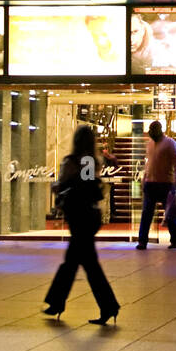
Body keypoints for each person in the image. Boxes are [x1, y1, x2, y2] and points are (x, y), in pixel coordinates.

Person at [43, 125, 120, 325]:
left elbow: (77, 187)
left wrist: (59, 186)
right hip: (88, 215)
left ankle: (59, 303)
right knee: (80, 262)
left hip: (80, 215)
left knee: (79, 263)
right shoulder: (91, 161)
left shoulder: (78, 161)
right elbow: (88, 186)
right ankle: (105, 306)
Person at [136, 120, 176, 249]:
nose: (151, 132)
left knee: (170, 213)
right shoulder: (150, 144)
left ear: (160, 130)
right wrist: (144, 178)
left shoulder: (170, 143)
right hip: (151, 183)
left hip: (166, 183)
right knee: (146, 213)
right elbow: (149, 163)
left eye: (153, 129)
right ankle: (142, 241)